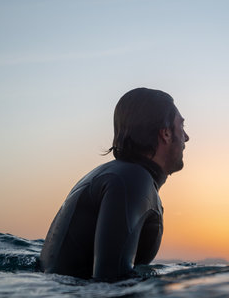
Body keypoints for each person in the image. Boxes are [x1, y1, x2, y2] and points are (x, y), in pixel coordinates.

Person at [38, 88, 189, 281]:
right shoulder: (133, 181)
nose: (186, 137)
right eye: (182, 126)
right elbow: (110, 281)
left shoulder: (116, 174)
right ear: (166, 133)